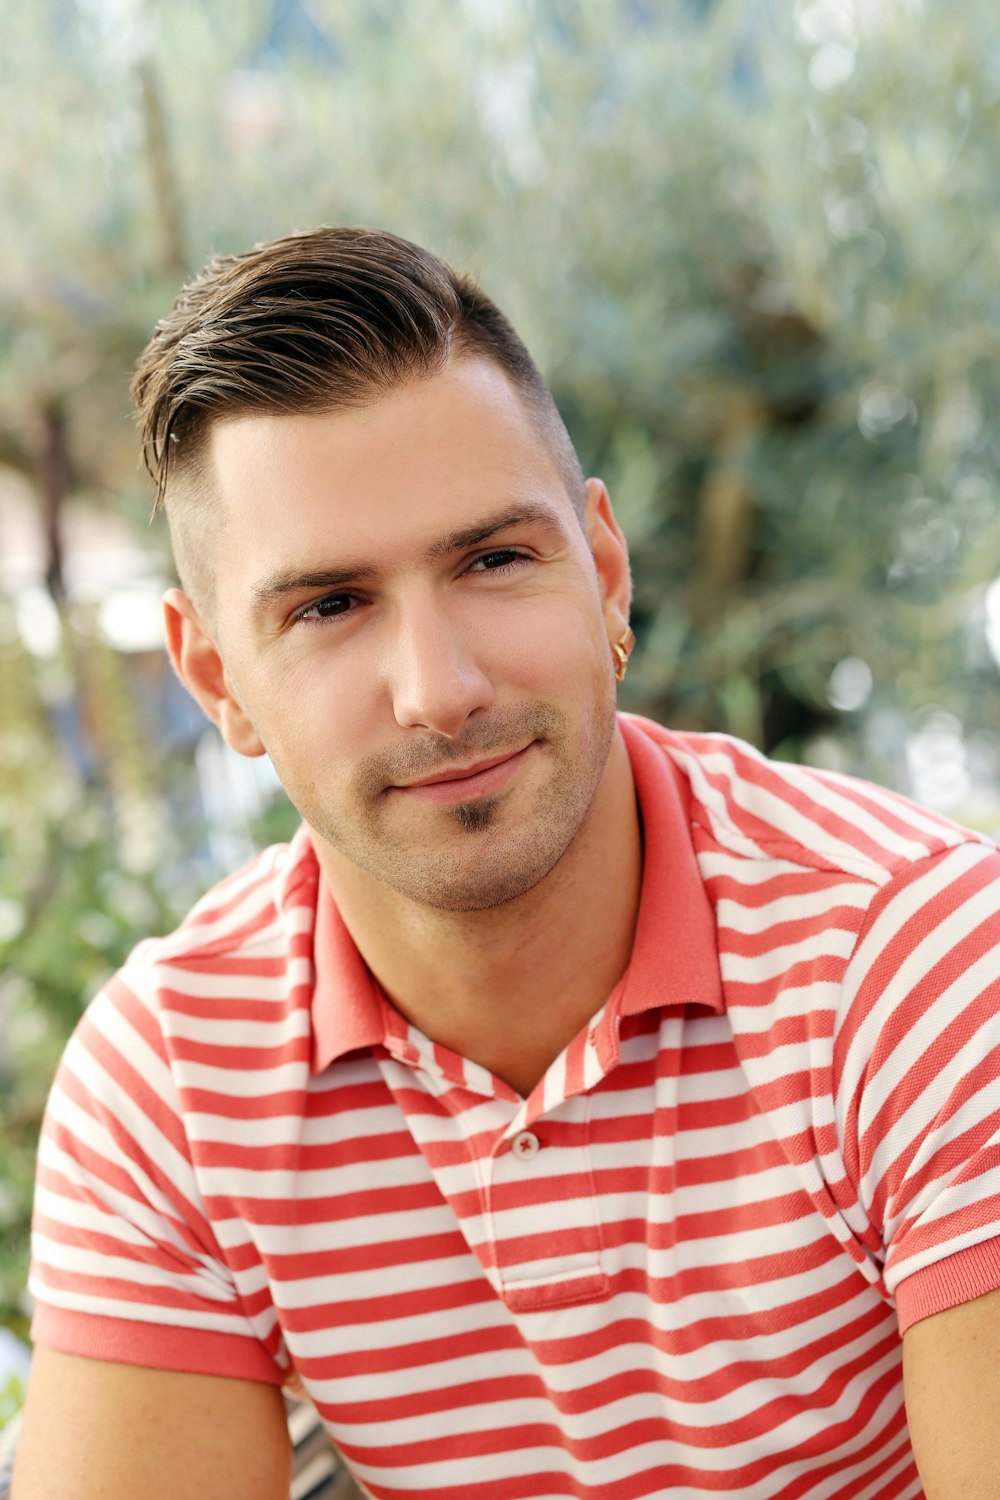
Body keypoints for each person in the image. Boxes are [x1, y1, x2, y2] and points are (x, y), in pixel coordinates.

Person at [11, 226, 1000, 1500]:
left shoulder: (915, 970)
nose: (442, 689)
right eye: (328, 607)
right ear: (218, 681)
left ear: (603, 573)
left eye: (492, 560)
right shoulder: (173, 1089)